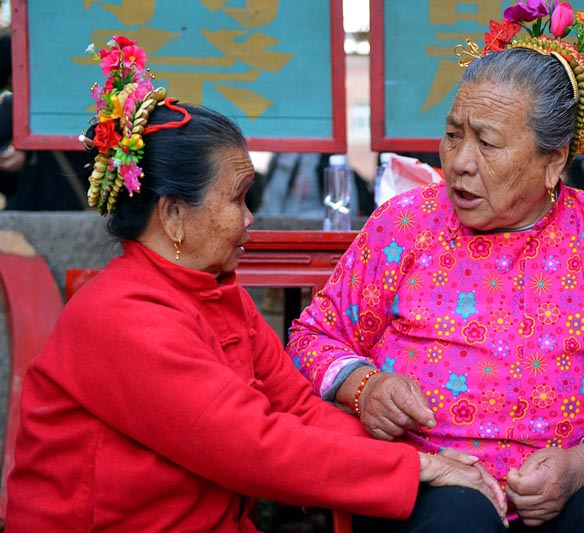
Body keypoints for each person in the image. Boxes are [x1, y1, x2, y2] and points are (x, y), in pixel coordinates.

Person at [5, 35, 507, 531]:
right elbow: (254, 445)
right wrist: (418, 468)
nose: (249, 219)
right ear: (174, 215)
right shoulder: (119, 315)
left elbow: (298, 408)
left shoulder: (220, 295)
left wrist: (433, 456)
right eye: (236, 199)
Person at [287, 4, 584, 532]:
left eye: (487, 142)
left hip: (569, 495)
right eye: (454, 134)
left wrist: (579, 467)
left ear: (554, 160)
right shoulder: (405, 226)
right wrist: (364, 386)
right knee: (457, 521)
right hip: (434, 485)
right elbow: (313, 336)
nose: (459, 161)